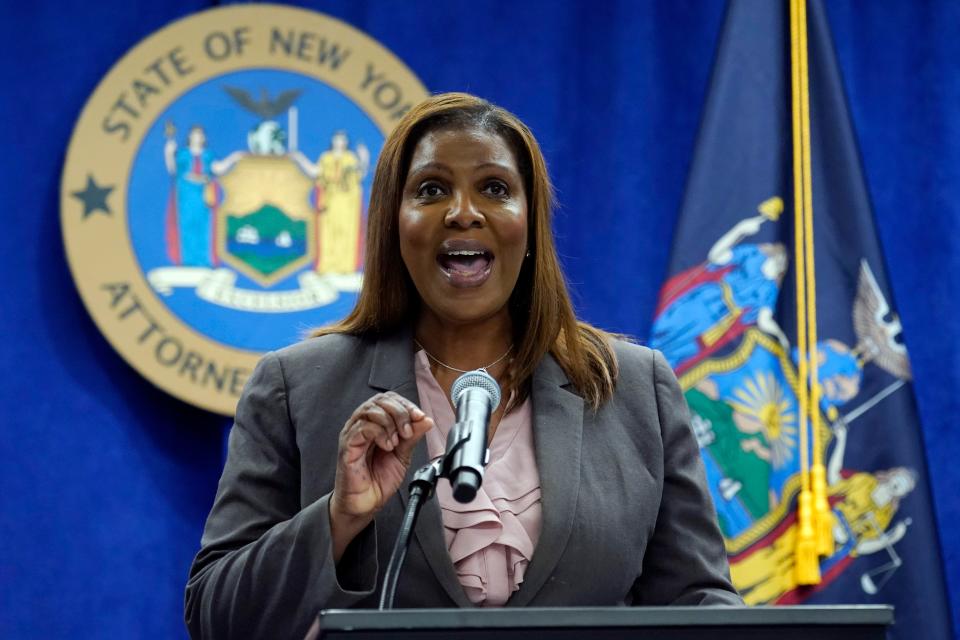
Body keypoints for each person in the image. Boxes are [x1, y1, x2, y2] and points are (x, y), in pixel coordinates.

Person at [184, 92, 742, 639]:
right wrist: (339, 517)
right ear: (393, 224)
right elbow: (217, 617)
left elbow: (698, 599)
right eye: (431, 190)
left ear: (530, 225)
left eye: (494, 189)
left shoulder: (634, 387)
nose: (463, 213)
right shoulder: (297, 387)